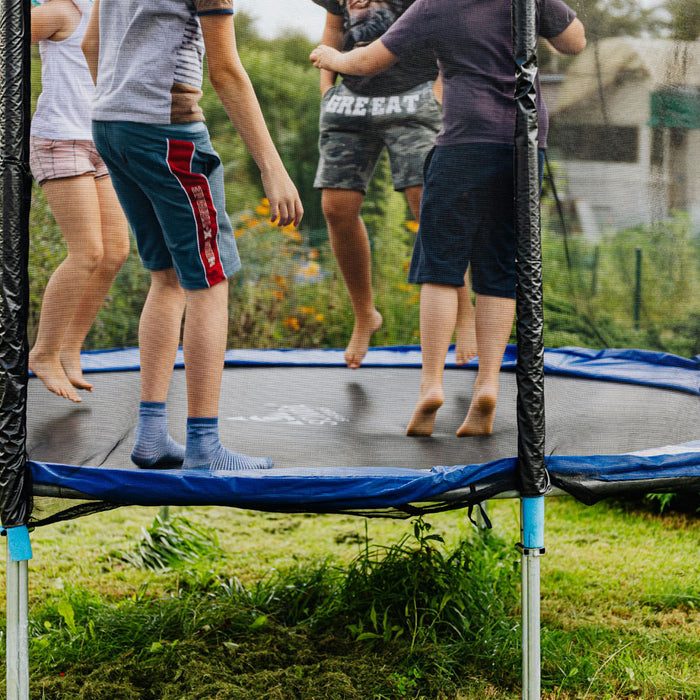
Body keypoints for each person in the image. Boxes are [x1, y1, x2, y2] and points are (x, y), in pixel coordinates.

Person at [310, 0, 586, 436]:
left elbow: (368, 60)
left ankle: (431, 386)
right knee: (498, 269)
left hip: (463, 142)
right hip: (525, 145)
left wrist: (333, 58)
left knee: (440, 267)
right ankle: (488, 385)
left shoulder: (435, 5)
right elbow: (575, 42)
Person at [82, 0, 303, 471]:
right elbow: (225, 71)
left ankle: (150, 436)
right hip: (167, 133)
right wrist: (273, 167)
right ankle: (204, 445)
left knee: (166, 277)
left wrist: (122, 97)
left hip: (110, 123)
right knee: (210, 279)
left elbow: (90, 43)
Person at [311, 0, 476, 369]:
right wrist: (327, 89)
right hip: (350, 101)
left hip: (413, 95)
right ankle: (365, 314)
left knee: (428, 203)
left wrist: (438, 90)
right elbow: (334, 27)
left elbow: (446, 27)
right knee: (336, 209)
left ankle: (466, 313)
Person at [28, 0, 130, 404]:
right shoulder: (61, 11)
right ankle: (44, 352)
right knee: (87, 251)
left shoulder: (111, 10)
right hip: (59, 140)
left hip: (99, 141)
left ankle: (70, 346)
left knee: (115, 251)